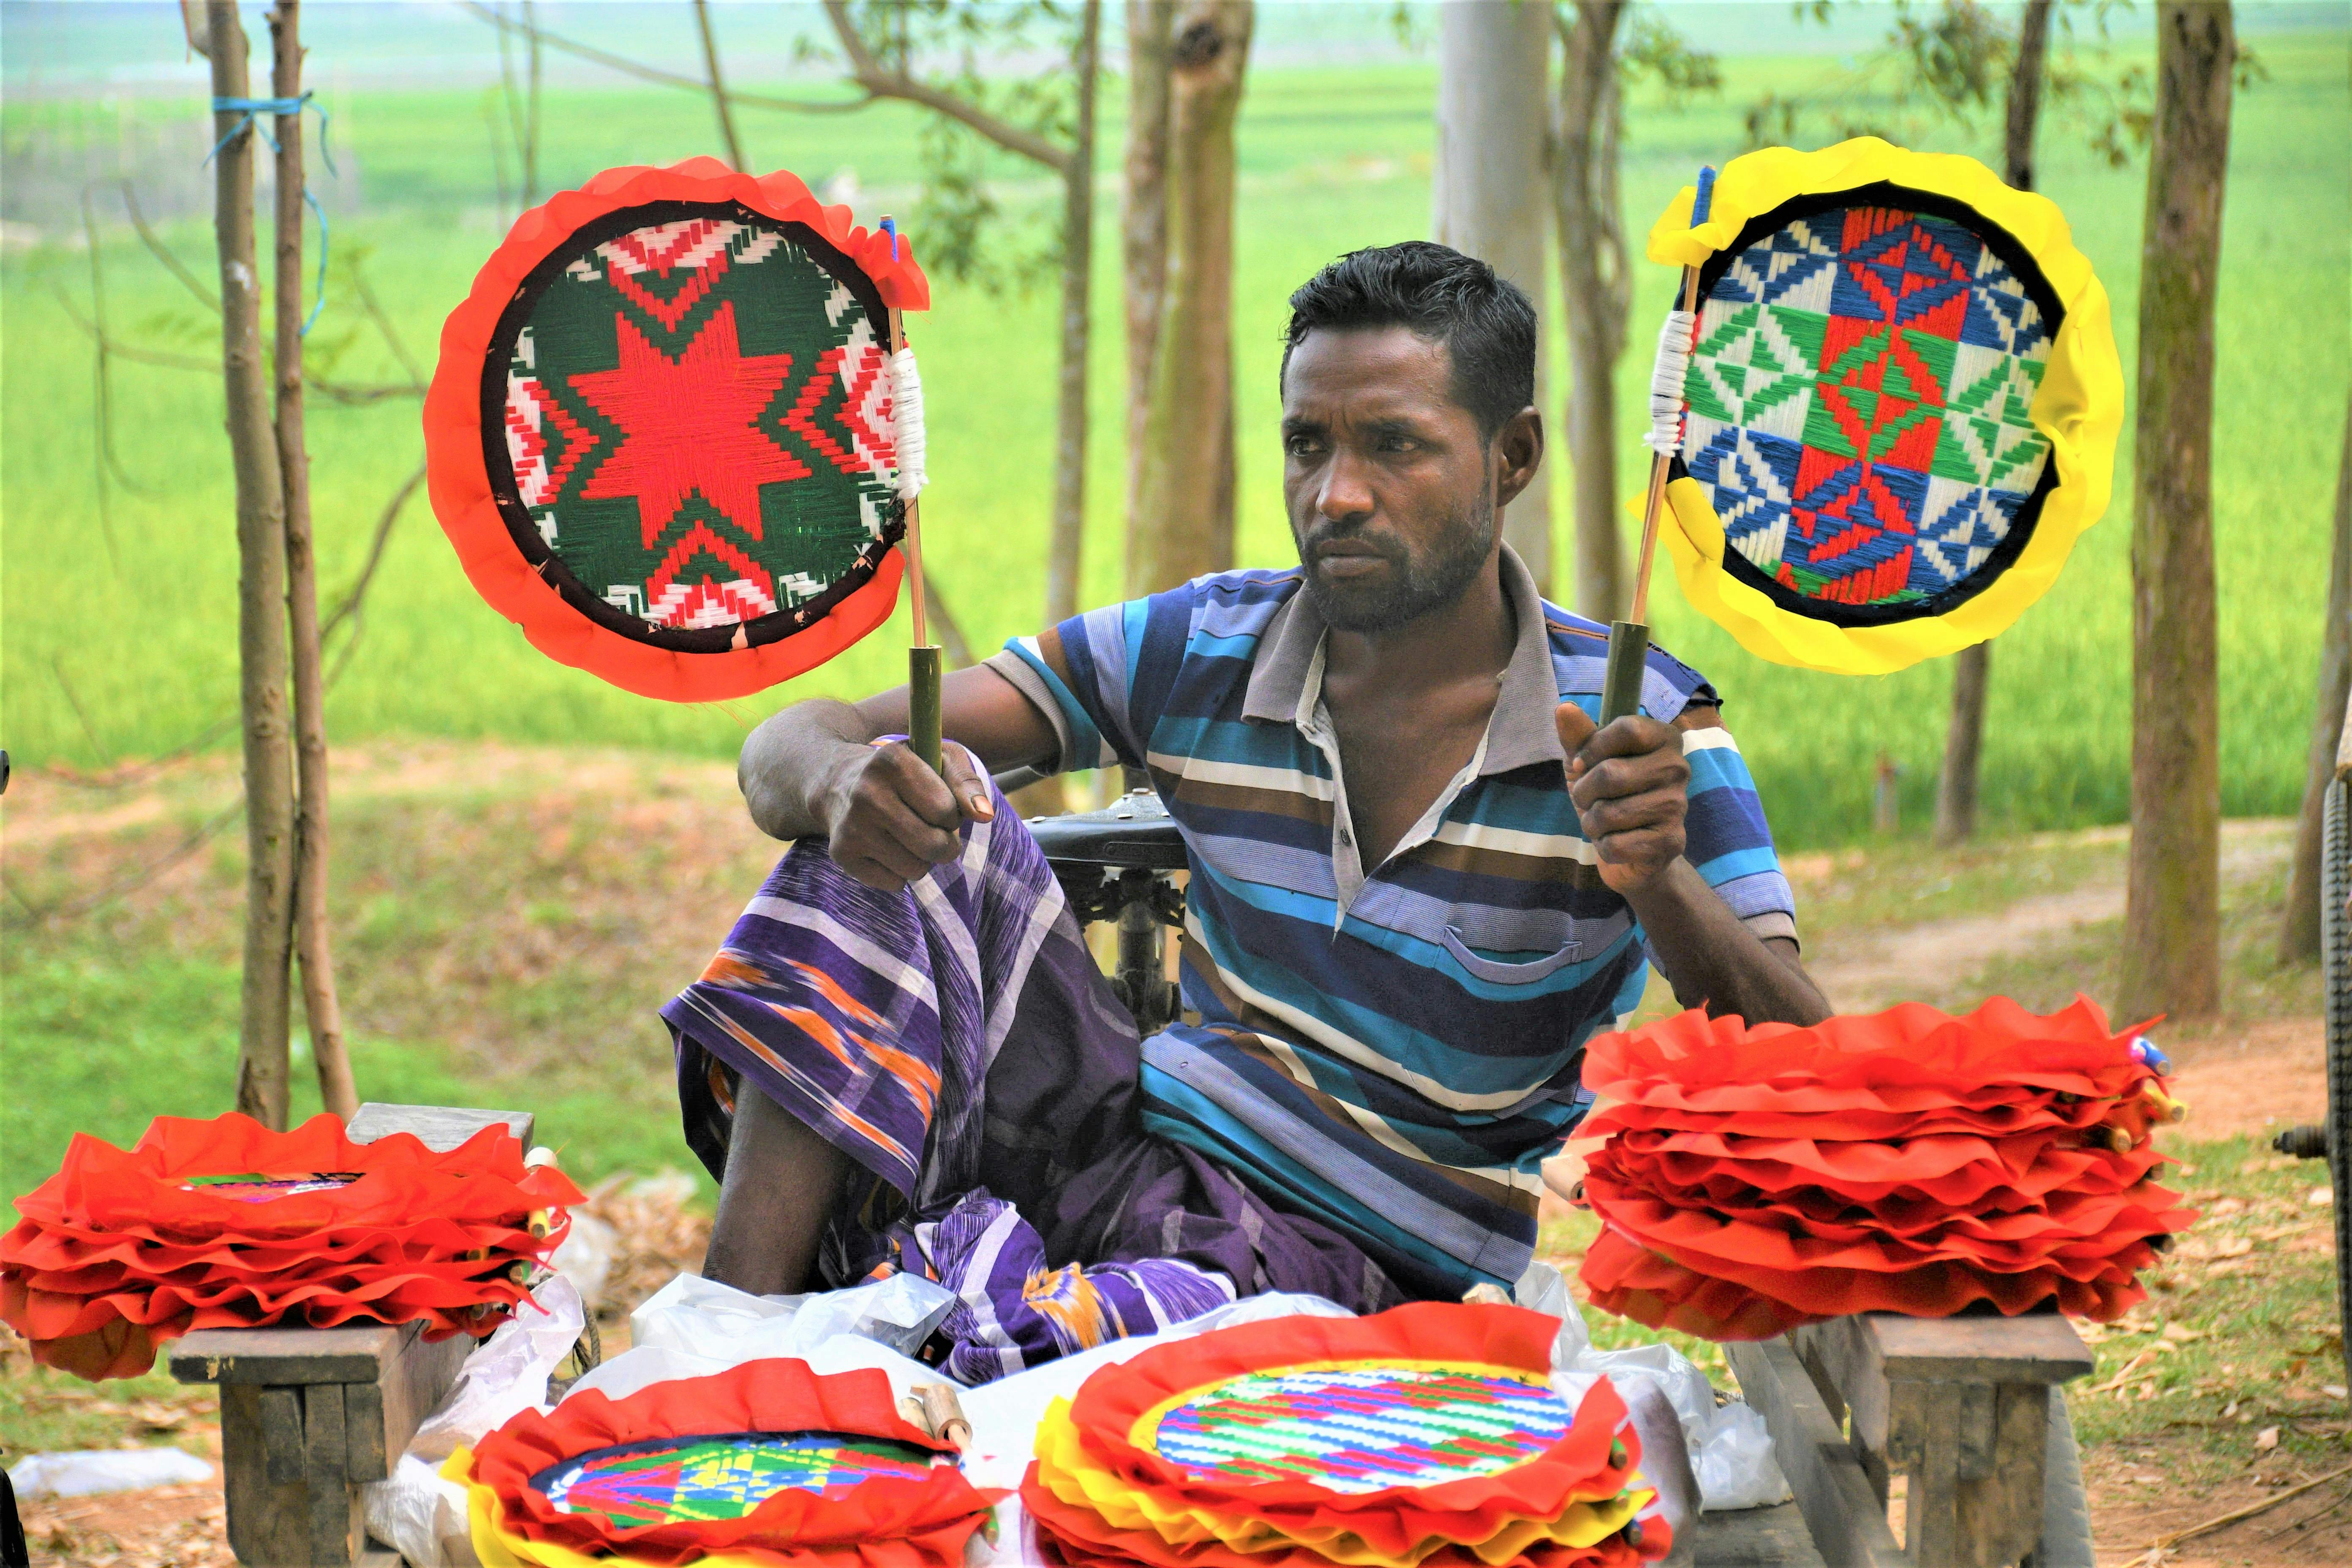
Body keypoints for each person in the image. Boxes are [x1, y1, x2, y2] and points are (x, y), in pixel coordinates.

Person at [662, 241, 1828, 1381]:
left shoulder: (1644, 728)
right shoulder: (1206, 644)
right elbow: (793, 744)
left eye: (1395, 447)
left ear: (1511, 457)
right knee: (880, 827)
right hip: (1119, 1145)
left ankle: (840, 1381)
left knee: (1031, 1358)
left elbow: (1803, 1059)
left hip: (1352, 1273)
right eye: (1307, 445)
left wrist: (1658, 878)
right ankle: (723, 1355)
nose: (1339, 495)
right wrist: (837, 785)